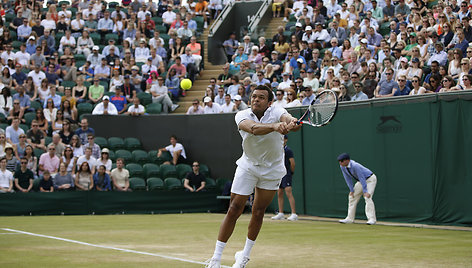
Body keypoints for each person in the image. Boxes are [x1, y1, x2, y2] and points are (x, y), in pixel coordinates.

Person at [206, 85, 301, 268]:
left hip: (272, 169)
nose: (256, 100)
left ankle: (244, 257)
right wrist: (275, 127)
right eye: (254, 97)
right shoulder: (241, 115)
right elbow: (254, 129)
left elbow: (287, 119)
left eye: (261, 97)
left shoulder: (278, 111)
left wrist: (291, 123)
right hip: (248, 166)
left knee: (258, 211)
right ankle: (216, 258)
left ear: (270, 102)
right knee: (234, 208)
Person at [337, 153, 377, 225]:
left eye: (342, 161)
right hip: (361, 181)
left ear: (347, 160)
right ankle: (349, 218)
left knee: (367, 197)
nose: (340, 162)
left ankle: (372, 219)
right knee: (352, 197)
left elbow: (361, 177)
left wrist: (365, 191)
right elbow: (347, 178)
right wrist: (351, 190)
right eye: (339, 161)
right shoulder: (342, 166)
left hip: (370, 179)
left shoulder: (355, 166)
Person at [271, 135, 297, 221]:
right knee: (279, 193)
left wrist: (291, 172)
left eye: (283, 139)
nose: (282, 140)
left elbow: (292, 163)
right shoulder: (278, 150)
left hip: (286, 174)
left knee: (288, 192)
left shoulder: (288, 150)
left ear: (286, 140)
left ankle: (294, 214)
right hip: (279, 174)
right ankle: (281, 213)